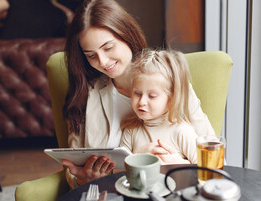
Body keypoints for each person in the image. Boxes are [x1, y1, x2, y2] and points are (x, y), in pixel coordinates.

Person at [61, 0, 215, 189]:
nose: (102, 61)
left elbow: (212, 153)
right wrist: (82, 179)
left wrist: (179, 164)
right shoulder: (85, 94)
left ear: (127, 34)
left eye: (108, 48)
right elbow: (73, 167)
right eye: (91, 55)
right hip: (106, 194)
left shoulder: (169, 82)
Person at [120, 49, 198, 164]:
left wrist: (180, 163)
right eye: (137, 93)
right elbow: (118, 172)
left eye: (152, 96)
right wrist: (137, 155)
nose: (142, 101)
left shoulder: (182, 132)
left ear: (172, 98)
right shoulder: (131, 130)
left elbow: (207, 172)